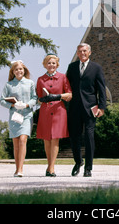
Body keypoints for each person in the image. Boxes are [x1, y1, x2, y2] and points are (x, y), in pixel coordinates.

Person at [66, 43, 106, 177]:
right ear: (77, 53)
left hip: (90, 109)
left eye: (84, 51)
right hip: (74, 108)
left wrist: (102, 107)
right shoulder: (71, 67)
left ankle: (88, 168)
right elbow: (67, 87)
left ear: (89, 52)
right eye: (79, 51)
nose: (82, 53)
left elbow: (101, 89)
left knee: (89, 137)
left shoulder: (96, 68)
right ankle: (78, 162)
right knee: (74, 138)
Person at [36, 54, 72, 177]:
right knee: (46, 139)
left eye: (53, 63)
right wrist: (42, 99)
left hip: (58, 111)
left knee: (55, 138)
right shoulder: (40, 79)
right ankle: (49, 166)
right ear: (45, 65)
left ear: (57, 65)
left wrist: (57, 96)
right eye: (49, 63)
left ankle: (51, 168)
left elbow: (69, 95)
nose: (51, 65)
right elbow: (39, 98)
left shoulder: (63, 77)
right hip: (45, 111)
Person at [0, 60, 37, 177]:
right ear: (13, 71)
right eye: (16, 69)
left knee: (23, 140)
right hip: (14, 116)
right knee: (16, 144)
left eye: (20, 69)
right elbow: (1, 100)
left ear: (24, 70)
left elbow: (35, 98)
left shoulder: (30, 83)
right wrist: (12, 105)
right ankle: (17, 169)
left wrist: (26, 105)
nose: (19, 71)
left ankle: (21, 169)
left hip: (26, 115)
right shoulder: (8, 85)